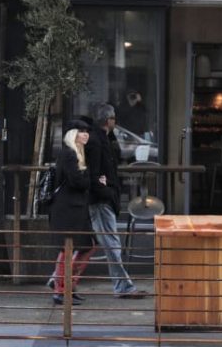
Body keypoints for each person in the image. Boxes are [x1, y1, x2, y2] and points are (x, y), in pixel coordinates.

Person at [87, 103, 146, 298]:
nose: (116, 121)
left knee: (97, 243)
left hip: (104, 198)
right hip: (101, 200)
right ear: (108, 120)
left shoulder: (104, 138)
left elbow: (117, 156)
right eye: (113, 118)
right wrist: (106, 192)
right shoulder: (96, 141)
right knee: (111, 244)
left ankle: (57, 278)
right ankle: (123, 287)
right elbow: (94, 174)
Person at [48, 119, 96, 306]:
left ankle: (68, 285)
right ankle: (61, 289)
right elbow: (77, 182)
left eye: (87, 131)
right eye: (82, 131)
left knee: (88, 245)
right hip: (68, 209)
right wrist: (89, 180)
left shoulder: (77, 153)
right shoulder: (69, 154)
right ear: (73, 134)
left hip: (75, 208)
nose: (86, 135)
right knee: (67, 249)